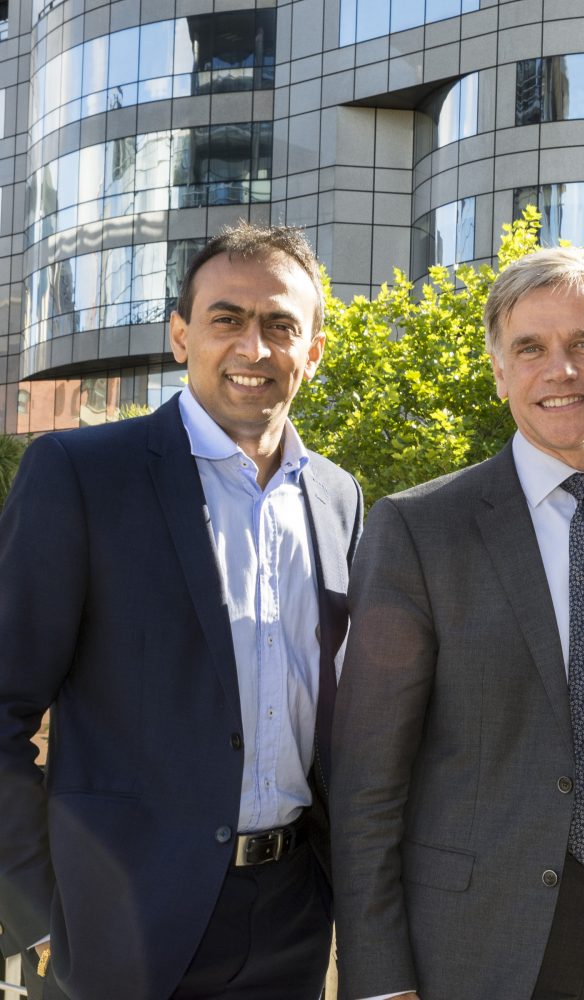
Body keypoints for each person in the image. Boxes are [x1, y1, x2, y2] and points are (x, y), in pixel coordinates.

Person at [330, 246, 584, 1000]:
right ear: (500, 372)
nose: (561, 370)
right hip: (479, 938)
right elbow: (367, 781)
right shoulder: (420, 529)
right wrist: (380, 978)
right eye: (531, 348)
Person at [0, 222, 363, 1000]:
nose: (253, 348)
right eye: (226, 319)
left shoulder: (339, 498)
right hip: (116, 927)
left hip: (294, 918)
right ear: (179, 335)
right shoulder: (81, 475)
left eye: (280, 325)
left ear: (314, 350)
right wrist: (35, 912)